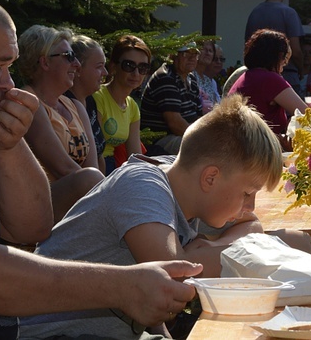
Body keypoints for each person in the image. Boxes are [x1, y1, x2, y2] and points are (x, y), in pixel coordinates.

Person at [0, 0, 202, 338]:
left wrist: (9, 146)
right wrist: (122, 287)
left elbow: (32, 228)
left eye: (9, 68)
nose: (9, 85)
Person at [20, 94, 297, 338]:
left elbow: (253, 224)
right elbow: (173, 278)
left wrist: (208, 248)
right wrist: (197, 256)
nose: (250, 205)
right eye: (248, 192)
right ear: (210, 178)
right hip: (51, 333)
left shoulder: (187, 184)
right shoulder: (143, 186)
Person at [16, 25, 105, 223]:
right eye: (68, 56)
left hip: (79, 197)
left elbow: (92, 167)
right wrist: (111, 193)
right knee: (90, 179)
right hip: (42, 203)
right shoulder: (29, 102)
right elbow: (63, 169)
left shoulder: (75, 105)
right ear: (45, 62)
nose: (76, 64)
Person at [228, 29, 307, 141]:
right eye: (285, 58)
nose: (286, 63)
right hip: (257, 150)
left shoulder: (247, 76)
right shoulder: (270, 79)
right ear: (277, 56)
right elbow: (306, 114)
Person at [94, 35, 149, 171]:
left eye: (143, 67)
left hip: (114, 166)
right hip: (98, 166)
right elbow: (95, 150)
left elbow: (135, 157)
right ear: (113, 66)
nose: (136, 73)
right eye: (129, 65)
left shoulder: (132, 107)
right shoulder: (98, 97)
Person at [245, 0, 305, 94]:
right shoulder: (289, 13)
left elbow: (248, 47)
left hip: (257, 78)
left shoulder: (254, 13)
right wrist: (301, 69)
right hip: (286, 76)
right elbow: (296, 50)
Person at [140, 42, 202, 155]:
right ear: (173, 56)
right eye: (186, 54)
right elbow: (175, 124)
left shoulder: (191, 78)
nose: (192, 58)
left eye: (195, 54)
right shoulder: (165, 77)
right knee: (202, 150)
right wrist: (201, 139)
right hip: (161, 140)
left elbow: (198, 116)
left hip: (183, 134)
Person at [67, 34, 109, 173]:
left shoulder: (90, 101)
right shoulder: (65, 105)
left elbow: (99, 154)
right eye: (99, 67)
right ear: (78, 68)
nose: (105, 72)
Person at [193, 39, 219, 114]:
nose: (207, 53)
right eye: (204, 49)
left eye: (210, 51)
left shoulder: (208, 80)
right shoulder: (191, 75)